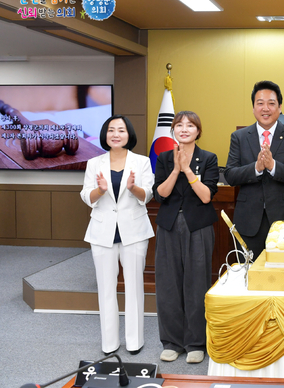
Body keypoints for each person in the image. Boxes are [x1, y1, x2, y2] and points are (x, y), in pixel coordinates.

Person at [80, 115, 154, 355]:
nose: (116, 134)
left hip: (133, 231)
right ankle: (109, 343)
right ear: (105, 135)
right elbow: (86, 197)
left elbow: (148, 196)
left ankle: (134, 342)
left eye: (121, 130)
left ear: (128, 134)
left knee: (134, 288)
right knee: (106, 288)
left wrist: (133, 188)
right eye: (111, 130)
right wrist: (100, 191)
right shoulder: (94, 163)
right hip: (102, 232)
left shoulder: (141, 162)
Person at [153, 111, 219, 364]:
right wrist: (175, 170)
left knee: (196, 284)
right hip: (169, 225)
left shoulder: (209, 158)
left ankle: (195, 342)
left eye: (190, 125)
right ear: (173, 131)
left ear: (198, 131)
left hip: (198, 226)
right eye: (179, 125)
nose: (184, 129)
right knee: (168, 284)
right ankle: (171, 341)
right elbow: (161, 194)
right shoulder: (164, 158)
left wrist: (188, 171)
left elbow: (205, 196)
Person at [224, 80, 284, 259]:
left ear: (280, 107)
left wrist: (273, 166)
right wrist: (256, 168)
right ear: (253, 108)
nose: (265, 108)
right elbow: (230, 174)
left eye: (271, 103)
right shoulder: (239, 137)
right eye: (260, 103)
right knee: (249, 275)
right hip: (249, 220)